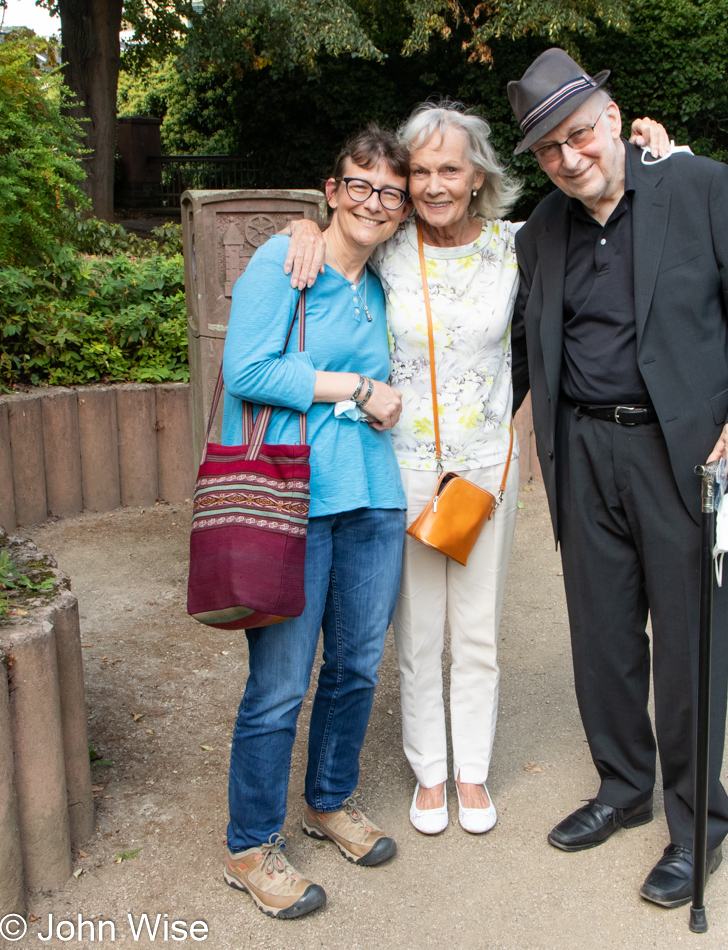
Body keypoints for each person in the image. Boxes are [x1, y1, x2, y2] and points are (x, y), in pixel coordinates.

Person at [283, 103, 671, 837]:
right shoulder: (390, 246)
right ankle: (430, 769)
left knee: (479, 632)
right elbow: (334, 236)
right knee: (418, 631)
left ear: (478, 176)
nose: (432, 185)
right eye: (420, 171)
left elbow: (606, 204)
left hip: (487, 468)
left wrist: (651, 156)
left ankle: (472, 771)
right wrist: (303, 224)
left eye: (449, 169)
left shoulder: (518, 244)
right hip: (400, 466)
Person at [506, 49, 728, 909]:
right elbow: (523, 347)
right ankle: (623, 786)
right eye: (550, 148)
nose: (570, 157)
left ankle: (696, 824)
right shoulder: (537, 234)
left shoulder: (698, 187)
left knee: (689, 646)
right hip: (583, 455)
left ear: (613, 116)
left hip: (687, 457)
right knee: (601, 641)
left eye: (581, 133)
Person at [220, 124, 411, 920]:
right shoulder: (286, 261)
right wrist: (357, 391)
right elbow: (247, 369)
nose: (375, 202)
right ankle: (250, 844)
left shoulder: (382, 281)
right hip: (292, 500)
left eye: (390, 194)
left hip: (373, 496)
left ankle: (329, 801)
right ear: (331, 193)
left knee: (357, 666)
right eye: (360, 186)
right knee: (280, 685)